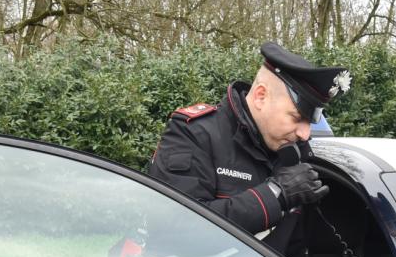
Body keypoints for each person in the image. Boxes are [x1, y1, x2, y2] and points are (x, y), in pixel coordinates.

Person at [148, 42, 351, 237]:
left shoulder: (294, 148)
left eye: (310, 122)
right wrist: (276, 194)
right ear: (261, 97)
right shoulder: (193, 133)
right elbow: (174, 229)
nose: (305, 134)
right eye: (297, 118)